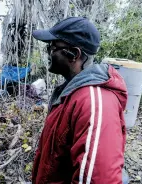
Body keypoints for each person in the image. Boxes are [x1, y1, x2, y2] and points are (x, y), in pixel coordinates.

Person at [31, 17, 128, 183]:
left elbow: (99, 178)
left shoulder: (94, 102)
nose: (49, 53)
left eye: (53, 47)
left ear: (74, 54)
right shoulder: (72, 93)